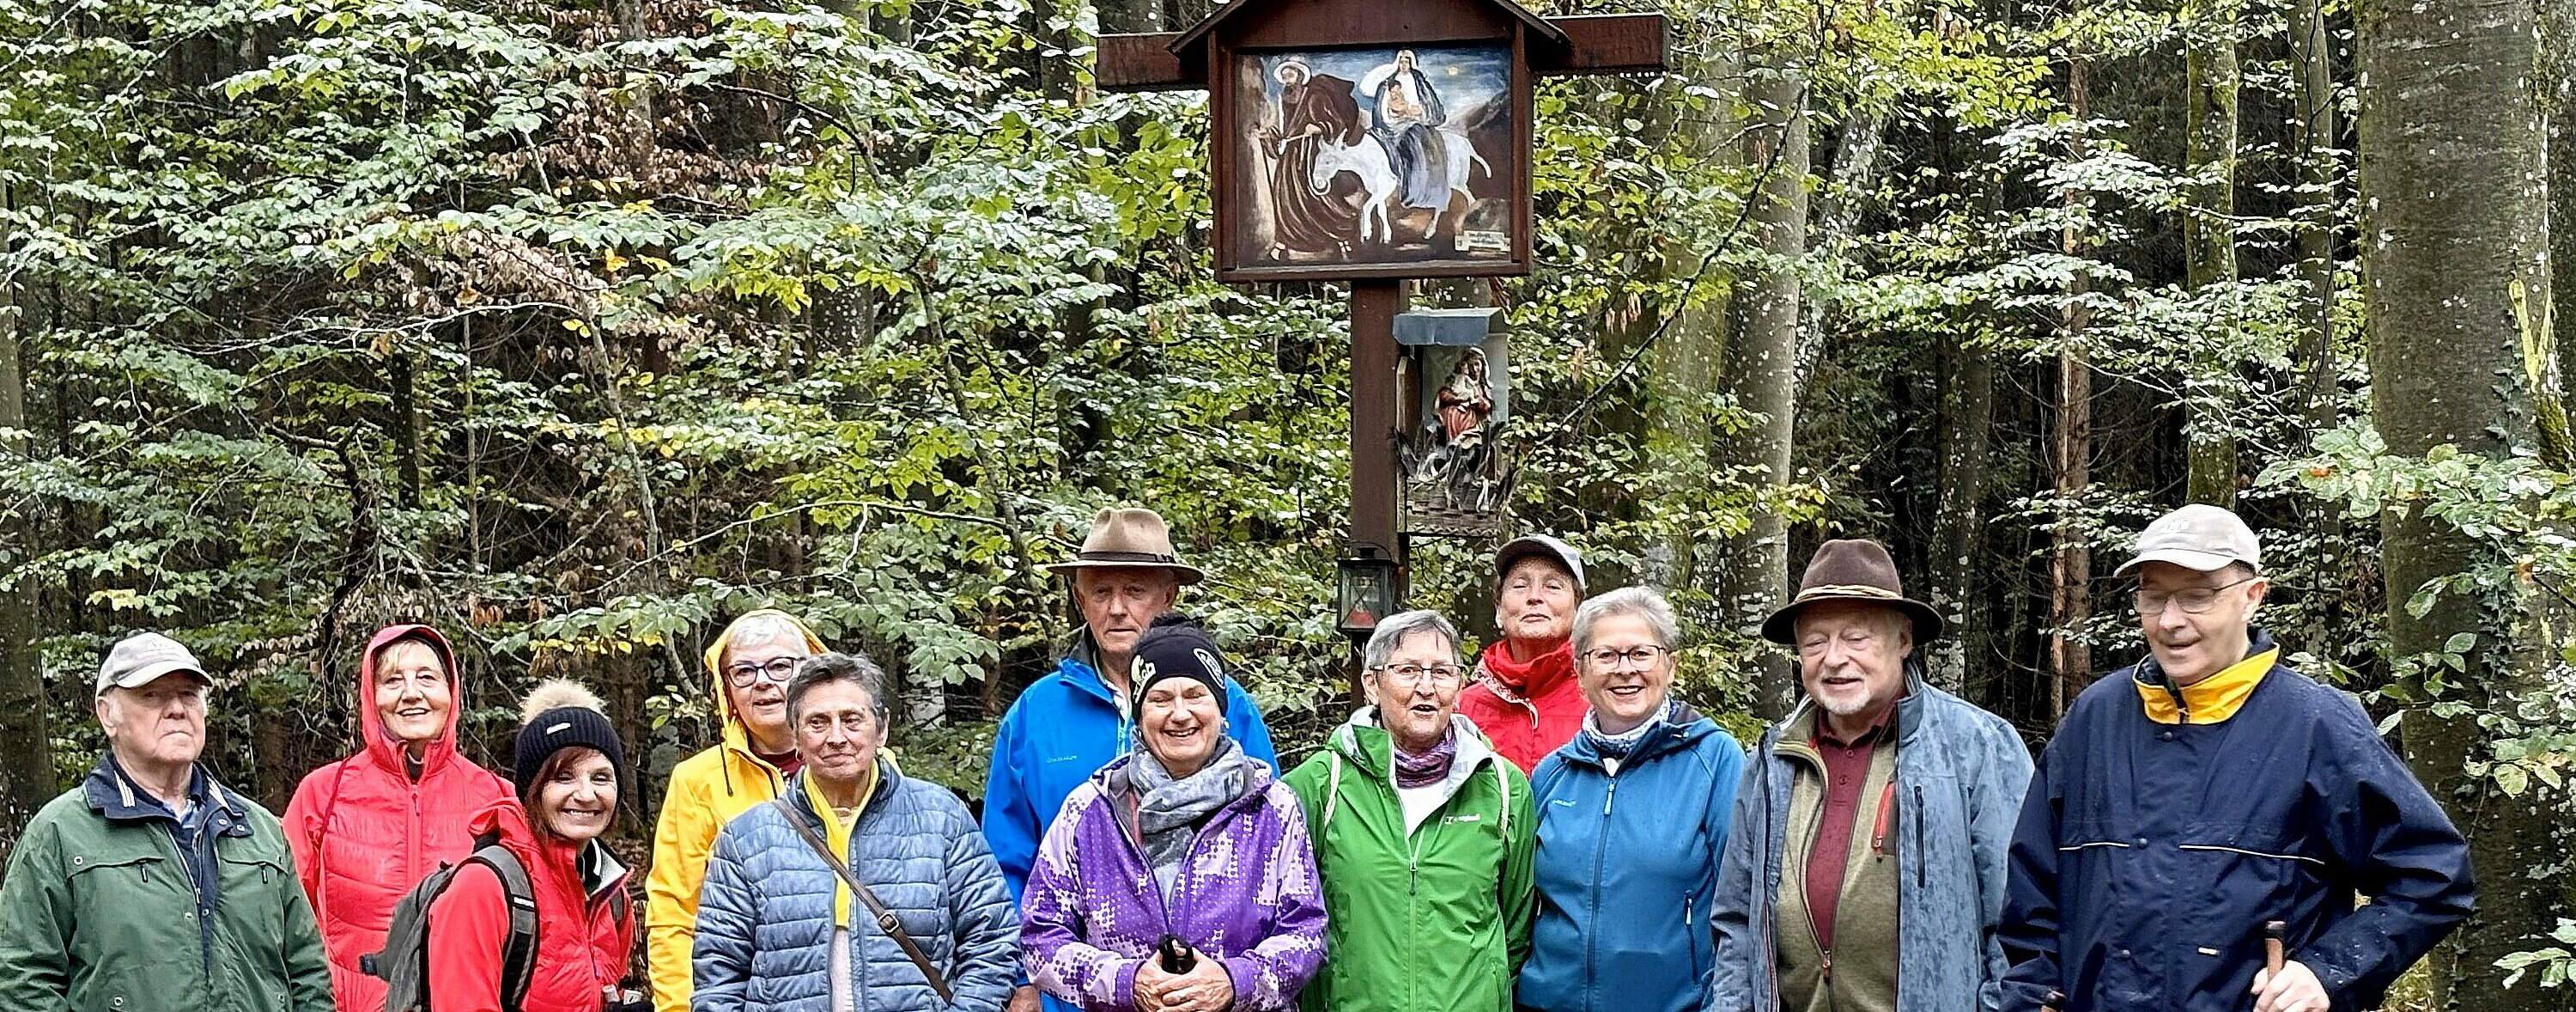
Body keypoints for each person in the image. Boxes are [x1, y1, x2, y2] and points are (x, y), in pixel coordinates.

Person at [2000, 506, 2474, 1012]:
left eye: (2197, 597)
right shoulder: (2095, 718)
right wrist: (2034, 1000)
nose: (2170, 621)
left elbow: (2434, 875)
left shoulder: (2315, 724)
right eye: (2153, 597)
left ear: (2252, 597)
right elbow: (2033, 901)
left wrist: (2328, 972)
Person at [1706, 539, 2032, 1012]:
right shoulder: (1771, 760)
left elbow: (2019, 922)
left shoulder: (1977, 747)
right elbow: (1737, 921)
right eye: (1815, 642)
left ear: (1904, 641)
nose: (1834, 658)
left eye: (1856, 638)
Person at [983, 508, 1279, 1012]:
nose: (1117, 609)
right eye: (1101, 592)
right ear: (1081, 600)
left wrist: (1241, 979)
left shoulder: (1222, 707)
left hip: (1210, 989)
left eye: (1135, 591)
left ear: (1168, 597)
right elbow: (1005, 859)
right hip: (1071, 995)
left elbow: (1269, 849)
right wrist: (1019, 978)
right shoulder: (1036, 714)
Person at [0, 631, 333, 1012]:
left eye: (188, 695)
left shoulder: (257, 829)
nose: (176, 709)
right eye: (152, 695)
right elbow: (21, 981)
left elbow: (308, 973)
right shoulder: (60, 834)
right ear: (108, 714)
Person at [1021, 618, 1327, 1012]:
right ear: (1139, 714)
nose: (1180, 714)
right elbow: (1040, 938)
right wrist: (1126, 982)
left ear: (1220, 708)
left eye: (1196, 695)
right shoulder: (1092, 812)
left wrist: (1235, 982)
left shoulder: (1271, 807)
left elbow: (1307, 933)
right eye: (1161, 699)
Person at [693, 653, 1019, 1012]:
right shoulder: (747, 840)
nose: (836, 737)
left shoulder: (942, 818)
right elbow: (719, 975)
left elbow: (992, 941)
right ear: (796, 736)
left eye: (851, 720)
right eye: (818, 722)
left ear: (882, 729)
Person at [1282, 609, 1536, 1012]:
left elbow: (1517, 928)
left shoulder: (1503, 787)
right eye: (1408, 670)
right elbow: (1290, 921)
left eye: (1442, 672)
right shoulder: (1319, 785)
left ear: (1459, 685)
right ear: (1372, 684)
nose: (1426, 687)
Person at [1518, 588, 1746, 1012]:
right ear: (1579, 671)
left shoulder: (1715, 761)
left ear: (1670, 665)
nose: (1625, 670)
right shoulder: (1553, 774)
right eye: (1606, 656)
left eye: (1641, 654)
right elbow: (1520, 908)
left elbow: (1743, 909)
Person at [285, 624, 516, 1012]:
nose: (411, 693)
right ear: (372, 696)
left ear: (451, 691)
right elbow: (282, 919)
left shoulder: (498, 799)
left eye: (426, 677)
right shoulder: (323, 794)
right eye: (393, 680)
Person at [646, 608, 827, 1012]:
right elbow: (674, 912)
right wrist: (679, 1007)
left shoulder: (862, 764)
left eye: (780, 666)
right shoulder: (698, 780)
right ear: (726, 689)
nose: (762, 682)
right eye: (743, 671)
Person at [428, 680, 640, 1012]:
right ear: (532, 790)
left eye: (601, 777)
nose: (586, 795)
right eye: (564, 777)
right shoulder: (484, 887)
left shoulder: (611, 895)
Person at [1458, 535, 1589, 773]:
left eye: (1553, 586)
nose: (1534, 597)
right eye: (1520, 585)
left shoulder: (1600, 698)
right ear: (1498, 609)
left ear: (1578, 608)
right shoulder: (1463, 708)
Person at [1258, 59, 1364, 259]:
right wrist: (1269, 136)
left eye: (1291, 75)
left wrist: (1319, 127)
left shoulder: (1315, 96)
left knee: (1318, 194)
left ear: (1300, 76)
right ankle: (1285, 241)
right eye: (1285, 76)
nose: (1288, 79)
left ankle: (1342, 236)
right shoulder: (1283, 99)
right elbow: (1285, 132)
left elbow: (1336, 123)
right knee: (1286, 197)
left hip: (1312, 153)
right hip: (1291, 157)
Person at [1358, 50, 1449, 210]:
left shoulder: (1418, 81)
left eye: (1407, 61)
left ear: (1411, 63)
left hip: (1415, 121)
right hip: (1393, 124)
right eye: (1401, 61)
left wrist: (1419, 112)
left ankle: (1424, 194)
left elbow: (1428, 104)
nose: (1404, 65)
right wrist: (1398, 116)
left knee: (1424, 142)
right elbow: (1383, 109)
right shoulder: (1388, 83)